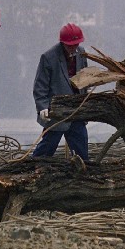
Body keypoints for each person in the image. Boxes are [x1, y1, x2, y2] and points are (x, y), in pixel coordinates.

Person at [32, 23, 89, 161]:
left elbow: (85, 80)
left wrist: (86, 104)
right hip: (56, 113)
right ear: (62, 43)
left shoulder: (81, 54)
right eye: (70, 45)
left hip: (76, 112)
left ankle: (83, 176)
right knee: (45, 150)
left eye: (76, 45)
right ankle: (31, 171)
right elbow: (40, 86)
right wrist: (43, 108)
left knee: (82, 154)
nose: (73, 48)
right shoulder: (48, 57)